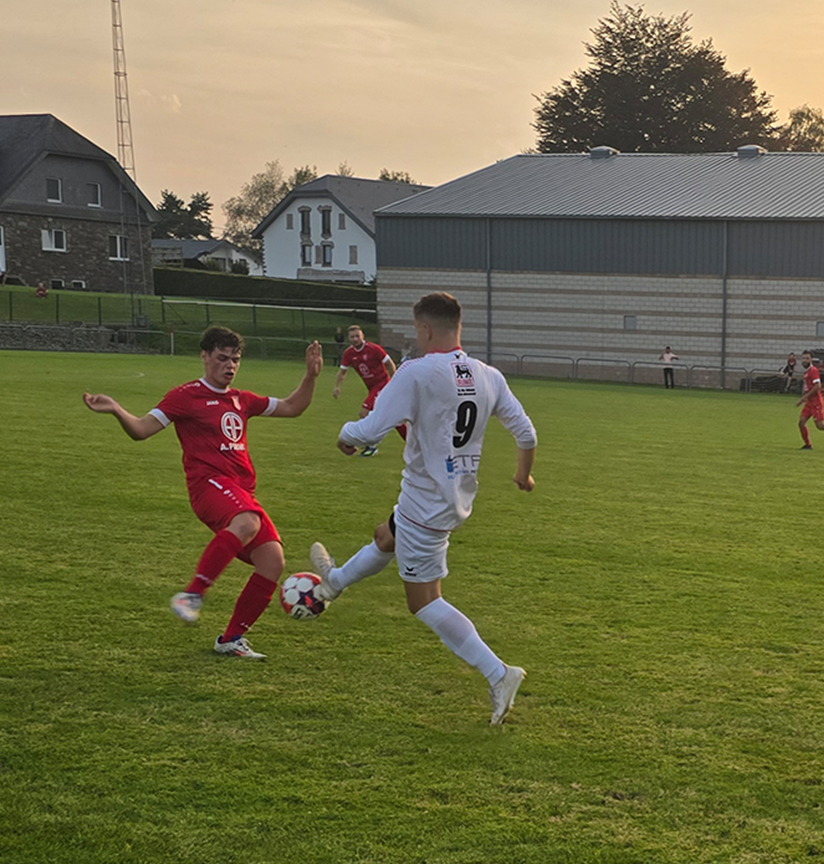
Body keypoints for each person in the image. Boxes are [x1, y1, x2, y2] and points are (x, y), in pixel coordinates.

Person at [308, 292, 536, 726]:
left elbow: (372, 427)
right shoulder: (489, 375)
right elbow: (526, 433)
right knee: (385, 536)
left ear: (426, 328)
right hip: (454, 495)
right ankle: (330, 586)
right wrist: (524, 476)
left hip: (424, 503)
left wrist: (346, 433)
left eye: (416, 330)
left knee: (424, 602)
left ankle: (499, 673)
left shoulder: (417, 371)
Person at [81, 327, 324, 660]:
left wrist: (310, 376)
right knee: (248, 521)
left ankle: (232, 639)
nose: (230, 365)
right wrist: (117, 410)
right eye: (222, 358)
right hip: (208, 485)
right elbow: (141, 430)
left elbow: (294, 407)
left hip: (239, 491)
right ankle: (192, 595)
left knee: (272, 560)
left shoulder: (242, 399)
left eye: (235, 359)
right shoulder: (185, 396)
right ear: (205, 356)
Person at [333, 324, 404, 456]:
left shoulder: (374, 349)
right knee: (394, 417)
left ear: (363, 336)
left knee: (364, 413)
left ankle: (371, 447)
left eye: (357, 336)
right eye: (352, 337)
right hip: (371, 388)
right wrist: (337, 387)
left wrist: (394, 383)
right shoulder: (349, 353)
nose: (355, 339)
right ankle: (413, 443)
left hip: (382, 384)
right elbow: (342, 372)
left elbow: (390, 364)